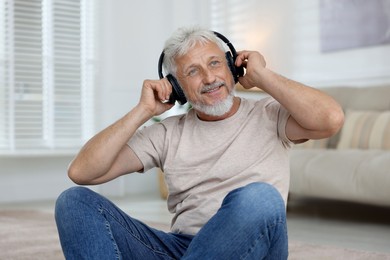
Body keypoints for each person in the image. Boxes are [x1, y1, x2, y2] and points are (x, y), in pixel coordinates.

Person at [55, 26, 344, 259]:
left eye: (215, 63)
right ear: (177, 87)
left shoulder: (269, 114)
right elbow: (82, 172)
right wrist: (143, 110)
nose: (209, 78)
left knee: (260, 197)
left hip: (255, 248)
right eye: (192, 71)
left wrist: (262, 76)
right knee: (74, 201)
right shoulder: (167, 133)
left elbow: (330, 119)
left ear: (232, 68)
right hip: (183, 249)